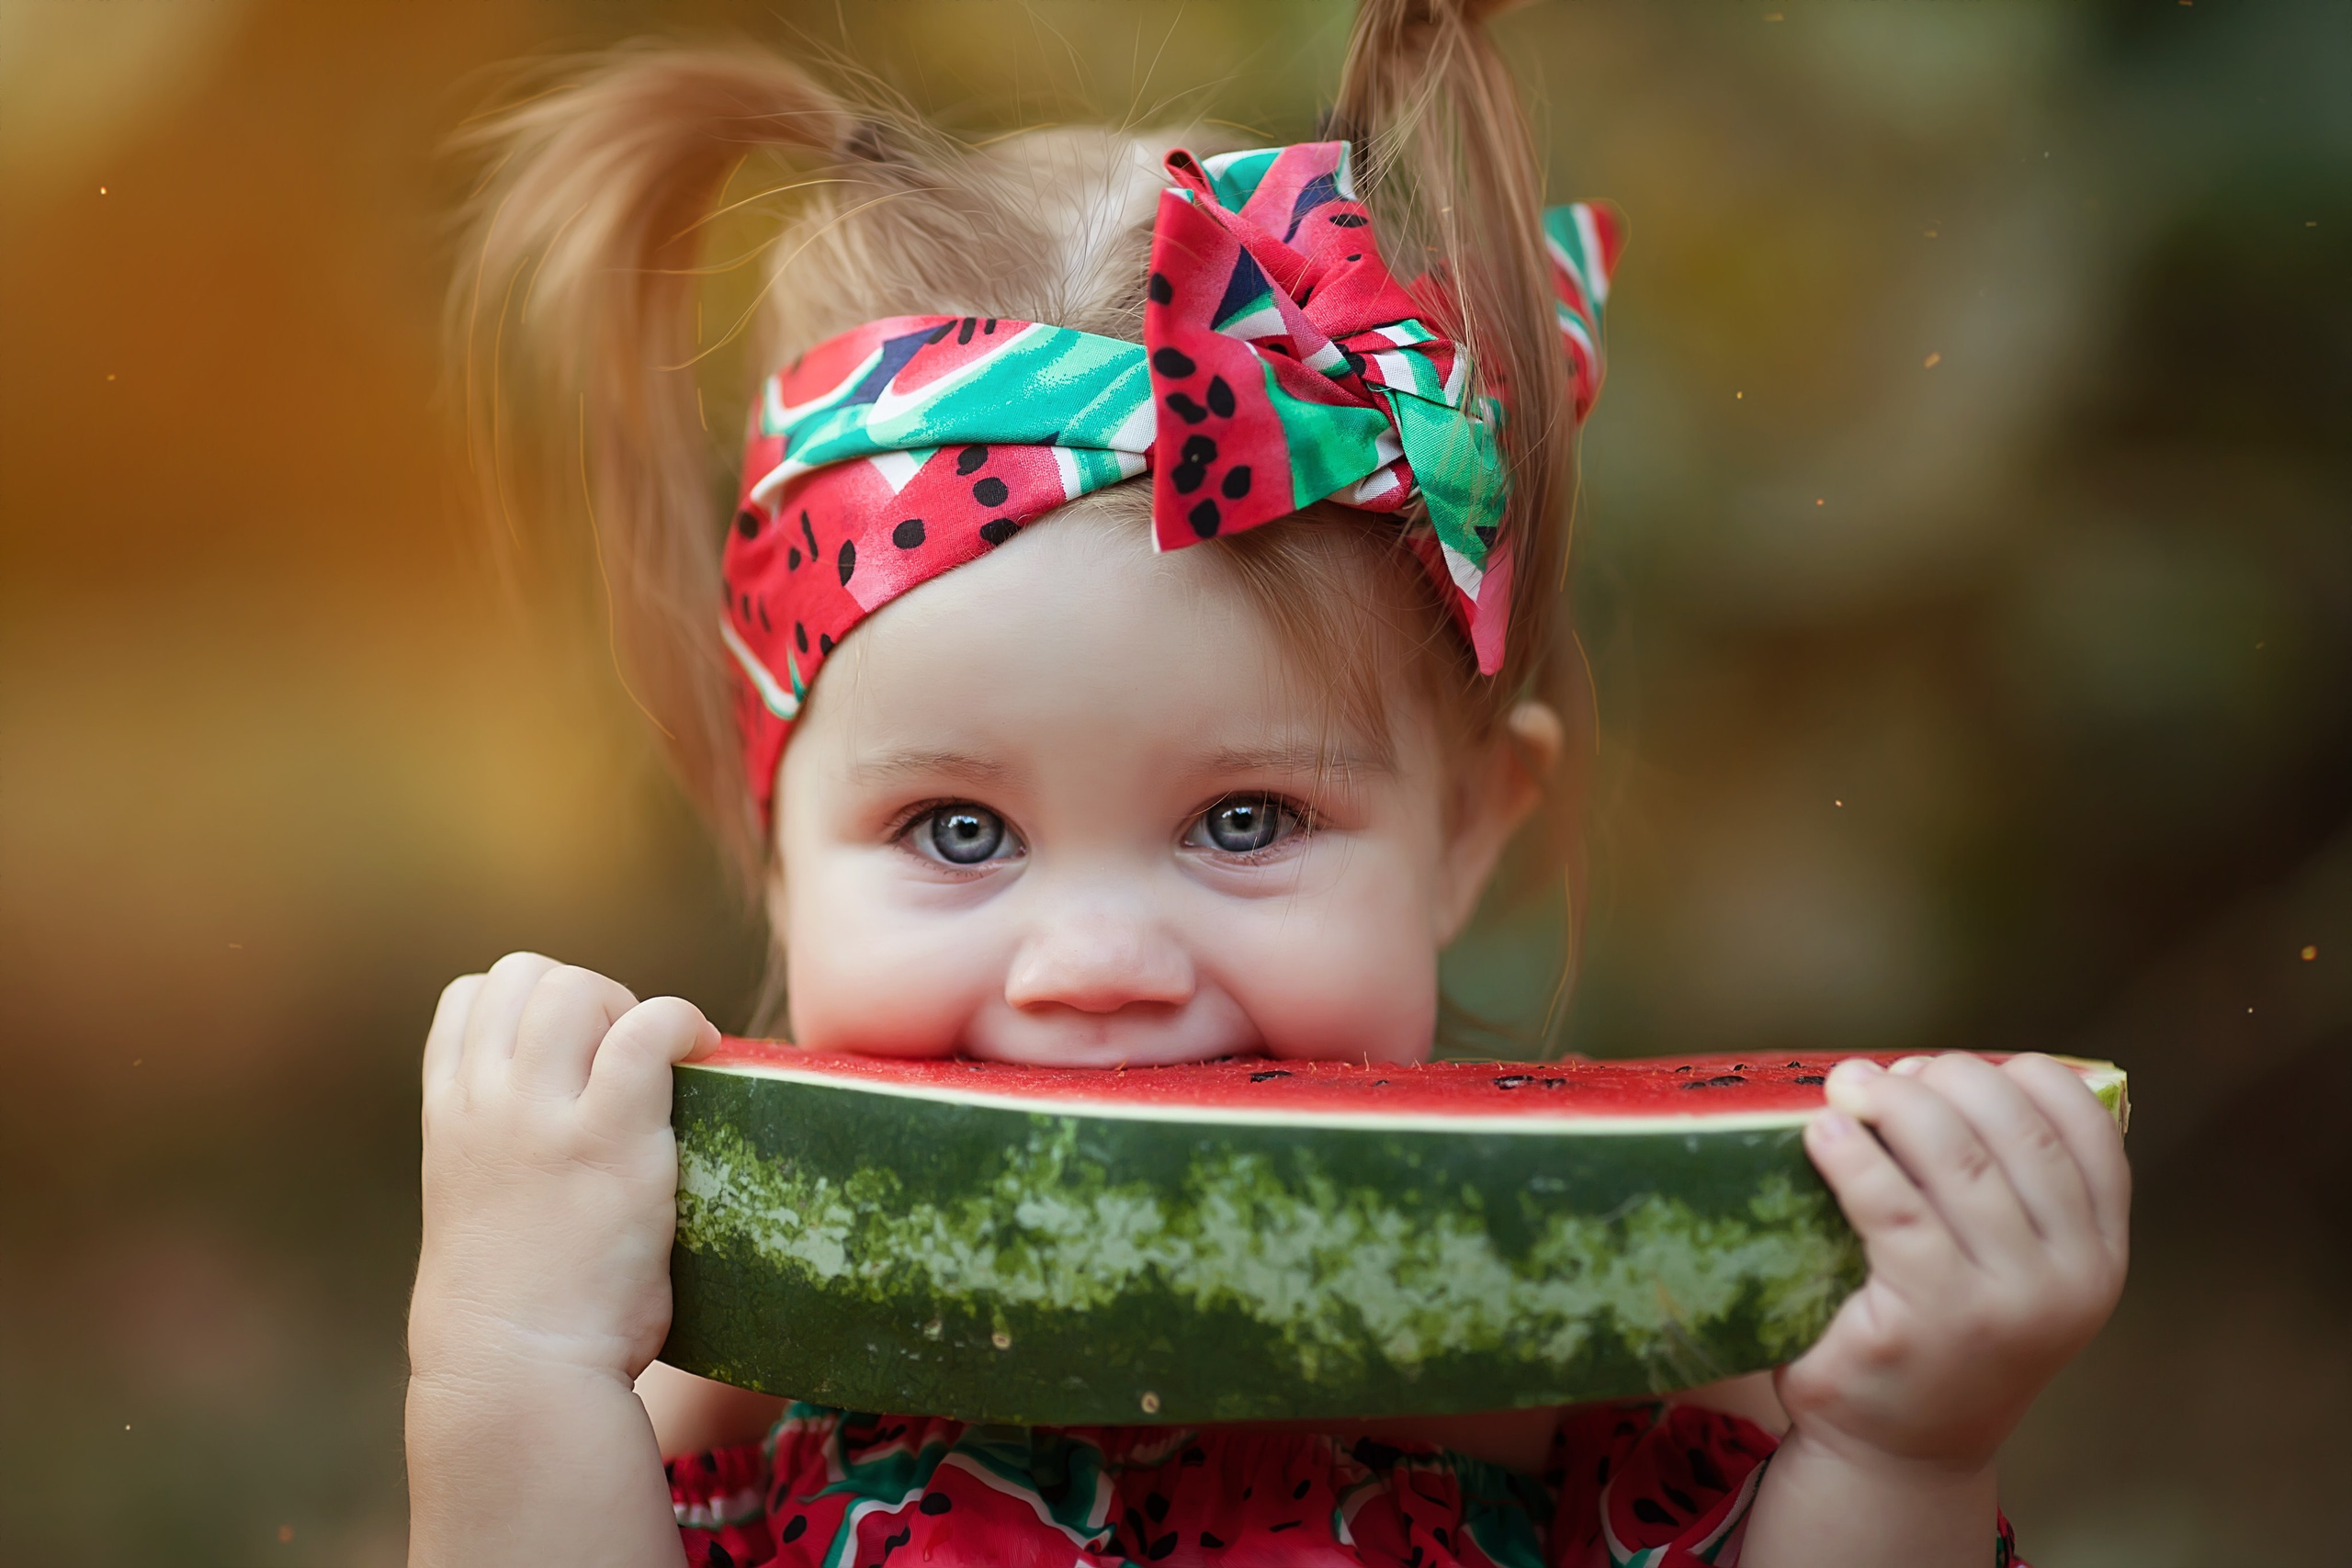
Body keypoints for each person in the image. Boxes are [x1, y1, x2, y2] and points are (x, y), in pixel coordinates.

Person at [406, 3, 2130, 1562]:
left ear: (1471, 835)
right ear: (772, 855)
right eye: (957, 829)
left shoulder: (1595, 1384)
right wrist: (512, 1362)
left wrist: (1900, 1448)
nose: (1093, 964)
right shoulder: (729, 1406)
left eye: (1246, 821)